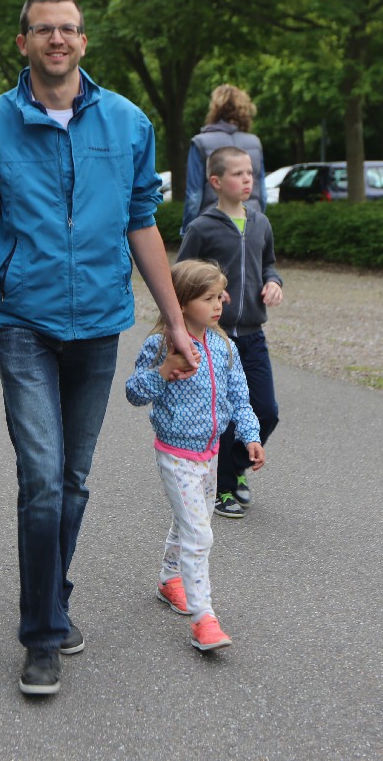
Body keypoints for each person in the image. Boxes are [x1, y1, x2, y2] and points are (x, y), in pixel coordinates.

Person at [0, 0, 197, 696]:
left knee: (73, 478)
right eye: (43, 29)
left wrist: (175, 322)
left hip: (97, 321)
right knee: (41, 475)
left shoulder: (127, 123)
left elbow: (142, 223)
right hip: (20, 320)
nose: (56, 39)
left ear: (84, 41)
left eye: (68, 29)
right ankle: (41, 637)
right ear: (23, 41)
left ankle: (51, 597)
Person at [125, 259, 264, 651]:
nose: (218, 304)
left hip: (210, 454)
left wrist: (250, 436)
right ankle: (205, 619)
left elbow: (240, 397)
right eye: (208, 298)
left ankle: (170, 579)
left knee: (188, 521)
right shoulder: (160, 345)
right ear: (182, 302)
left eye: (220, 296)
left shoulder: (224, 347)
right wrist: (164, 370)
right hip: (176, 456)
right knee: (200, 535)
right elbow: (134, 392)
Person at [178, 146, 283, 517]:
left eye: (250, 173)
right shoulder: (201, 227)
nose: (247, 179)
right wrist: (207, 290)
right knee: (222, 415)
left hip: (253, 334)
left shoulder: (261, 223)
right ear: (216, 182)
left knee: (266, 410)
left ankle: (235, 467)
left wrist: (274, 282)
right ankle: (222, 489)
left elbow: (269, 264)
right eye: (238, 174)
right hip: (216, 338)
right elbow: (182, 275)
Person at [181, 84, 267, 234]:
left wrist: (187, 230)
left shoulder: (200, 143)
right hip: (251, 225)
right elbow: (263, 195)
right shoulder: (255, 143)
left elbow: (194, 197)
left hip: (212, 226)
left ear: (214, 108)